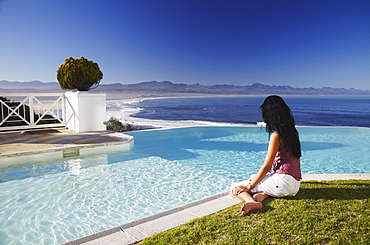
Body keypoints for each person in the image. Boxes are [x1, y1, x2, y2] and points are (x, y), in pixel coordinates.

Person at [231, 95, 302, 215]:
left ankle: (251, 202)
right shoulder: (293, 132)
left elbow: (267, 166)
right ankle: (264, 194)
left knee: (236, 187)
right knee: (255, 177)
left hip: (283, 183)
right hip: (295, 186)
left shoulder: (277, 135)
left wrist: (249, 187)